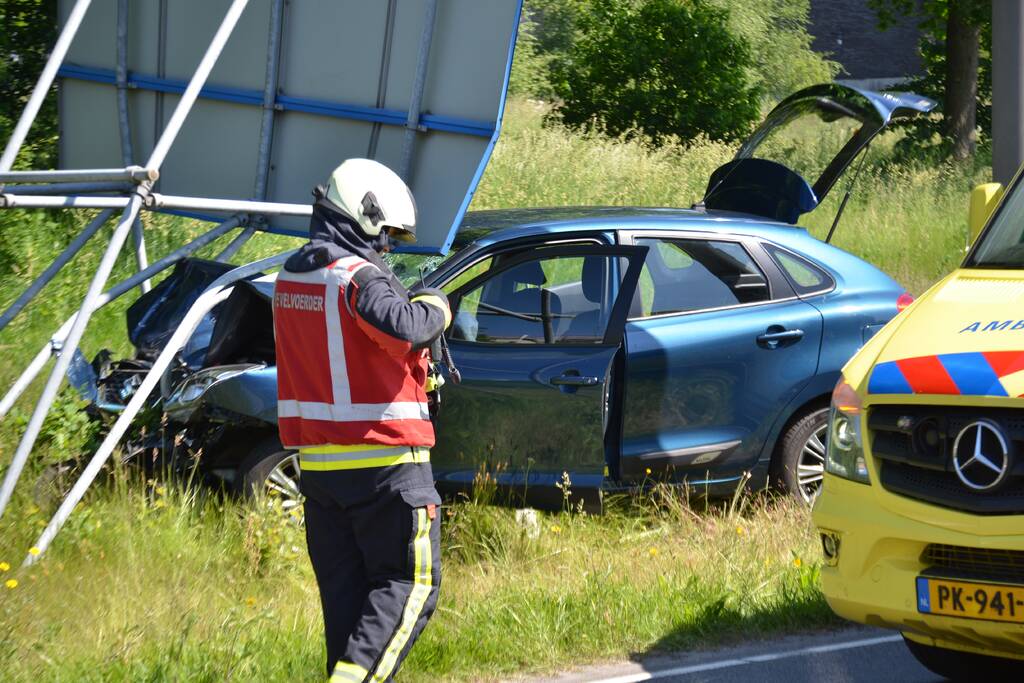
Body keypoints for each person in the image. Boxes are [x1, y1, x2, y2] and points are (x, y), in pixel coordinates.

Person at [272, 159, 451, 682]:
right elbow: (404, 327)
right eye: (388, 234)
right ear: (365, 214)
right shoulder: (358, 277)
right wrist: (436, 307)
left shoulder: (291, 276)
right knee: (410, 585)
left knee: (349, 613)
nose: (388, 247)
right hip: (387, 466)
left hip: (322, 474)